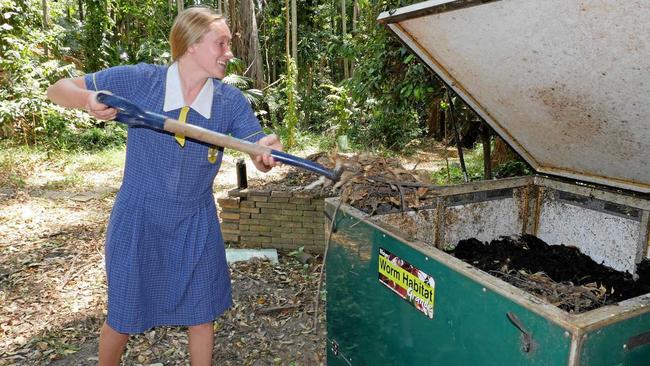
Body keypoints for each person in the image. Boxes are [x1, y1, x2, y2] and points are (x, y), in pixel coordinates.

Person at [47, 7, 281, 365]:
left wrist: (265, 153)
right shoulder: (144, 81)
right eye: (221, 44)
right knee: (123, 316)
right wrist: (87, 100)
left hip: (195, 220)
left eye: (228, 44)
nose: (229, 53)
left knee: (201, 315)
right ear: (190, 45)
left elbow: (257, 149)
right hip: (138, 218)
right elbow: (57, 89)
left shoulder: (228, 101)